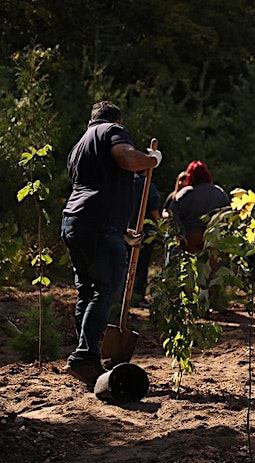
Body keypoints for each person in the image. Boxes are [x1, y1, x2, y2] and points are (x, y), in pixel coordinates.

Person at [60, 101, 162, 386]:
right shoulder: (112, 131)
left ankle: (85, 356)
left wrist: (122, 230)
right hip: (98, 225)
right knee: (106, 290)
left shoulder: (78, 146)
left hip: (74, 222)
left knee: (87, 291)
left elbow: (96, 186)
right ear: (116, 120)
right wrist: (152, 159)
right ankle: (84, 357)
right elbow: (127, 159)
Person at [168, 161, 230, 253]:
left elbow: (172, 214)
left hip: (190, 238)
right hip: (213, 237)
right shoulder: (219, 192)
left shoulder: (183, 194)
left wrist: (181, 233)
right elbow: (228, 213)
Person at [129, 171, 161, 308]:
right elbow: (154, 208)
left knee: (124, 263)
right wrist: (159, 225)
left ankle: (123, 297)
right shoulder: (147, 185)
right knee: (141, 264)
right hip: (143, 231)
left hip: (123, 229)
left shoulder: (126, 183)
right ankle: (138, 295)